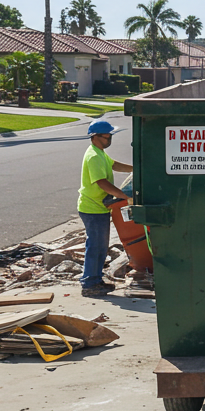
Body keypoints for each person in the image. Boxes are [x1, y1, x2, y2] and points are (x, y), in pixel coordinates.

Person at [78, 119, 133, 297]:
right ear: (94, 137)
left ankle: (95, 280)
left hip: (99, 208)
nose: (109, 139)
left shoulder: (100, 152)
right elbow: (101, 182)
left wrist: (136, 168)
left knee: (100, 246)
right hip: (92, 208)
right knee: (95, 246)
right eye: (106, 136)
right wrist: (124, 196)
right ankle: (89, 284)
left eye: (110, 136)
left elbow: (114, 164)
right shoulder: (93, 156)